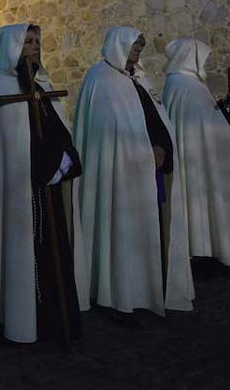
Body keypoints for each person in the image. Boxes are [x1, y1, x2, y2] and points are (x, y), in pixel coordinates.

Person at [0, 24, 84, 344]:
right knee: (21, 252)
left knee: (52, 249)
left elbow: (57, 126)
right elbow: (9, 145)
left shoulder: (43, 83)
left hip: (48, 184)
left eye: (37, 41)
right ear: (12, 46)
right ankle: (19, 317)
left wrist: (61, 158)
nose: (34, 47)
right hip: (17, 192)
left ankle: (53, 316)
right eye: (27, 41)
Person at [73, 26, 194, 320]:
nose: (137, 54)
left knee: (151, 230)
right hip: (120, 179)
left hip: (151, 172)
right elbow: (108, 136)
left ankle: (152, 287)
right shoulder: (100, 79)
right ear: (118, 46)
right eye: (133, 48)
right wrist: (143, 153)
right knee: (123, 233)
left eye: (139, 49)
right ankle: (122, 294)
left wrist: (164, 149)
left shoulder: (138, 79)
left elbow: (156, 118)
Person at [162, 38, 230, 273]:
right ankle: (206, 251)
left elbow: (203, 118)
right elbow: (206, 128)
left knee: (194, 207)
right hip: (198, 160)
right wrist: (229, 131)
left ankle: (199, 249)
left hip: (190, 159)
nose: (204, 61)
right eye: (201, 57)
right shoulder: (189, 87)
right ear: (191, 58)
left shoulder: (176, 83)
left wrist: (222, 106)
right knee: (202, 204)